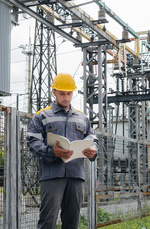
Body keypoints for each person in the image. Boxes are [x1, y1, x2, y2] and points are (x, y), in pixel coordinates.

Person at [26, 73, 98, 229]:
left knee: (72, 222)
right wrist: (53, 153)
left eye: (69, 93)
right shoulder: (41, 116)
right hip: (52, 175)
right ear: (54, 92)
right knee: (48, 221)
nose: (66, 97)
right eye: (62, 93)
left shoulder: (82, 118)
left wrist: (93, 150)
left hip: (75, 175)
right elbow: (32, 141)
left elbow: (93, 138)